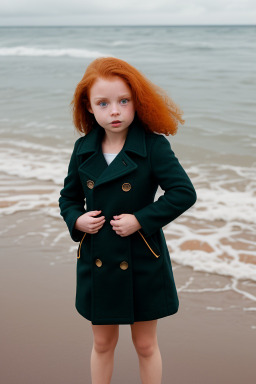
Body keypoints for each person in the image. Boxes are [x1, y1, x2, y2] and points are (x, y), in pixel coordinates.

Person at [59, 57, 197, 384]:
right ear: (89, 108)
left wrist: (140, 219)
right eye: (103, 103)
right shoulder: (83, 149)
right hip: (98, 258)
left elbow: (183, 192)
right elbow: (68, 198)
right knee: (102, 343)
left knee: (146, 345)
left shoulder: (152, 146)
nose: (115, 111)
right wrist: (77, 221)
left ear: (137, 101)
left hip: (141, 256)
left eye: (124, 101)